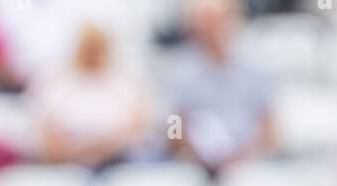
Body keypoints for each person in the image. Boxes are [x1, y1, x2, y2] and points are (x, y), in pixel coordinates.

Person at [166, 0, 274, 174]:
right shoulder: (178, 71)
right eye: (205, 20)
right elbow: (174, 129)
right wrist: (190, 150)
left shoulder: (257, 67)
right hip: (198, 166)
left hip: (249, 165)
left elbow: (269, 126)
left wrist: (245, 155)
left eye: (219, 19)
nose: (213, 27)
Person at [30, 21, 151, 169]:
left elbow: (136, 128)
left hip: (118, 163)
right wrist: (75, 152)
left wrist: (102, 148)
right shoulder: (56, 82)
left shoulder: (125, 83)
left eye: (96, 48)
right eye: (88, 47)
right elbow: (45, 132)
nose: (91, 53)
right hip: (66, 165)